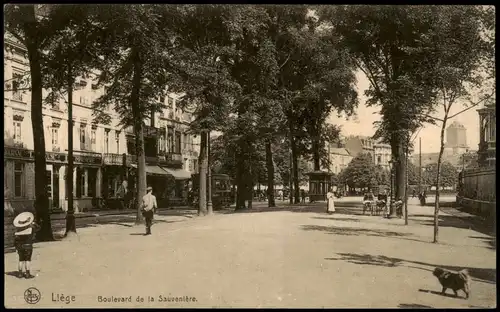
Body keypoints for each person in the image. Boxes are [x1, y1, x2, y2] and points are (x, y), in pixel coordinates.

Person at [13, 211, 40, 279]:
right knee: (28, 260)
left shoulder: (18, 230)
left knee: (20, 259)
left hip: (20, 246)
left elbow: (15, 240)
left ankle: (20, 273)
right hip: (28, 245)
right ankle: (27, 274)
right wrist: (34, 224)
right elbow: (39, 228)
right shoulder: (31, 229)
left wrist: (16, 246)